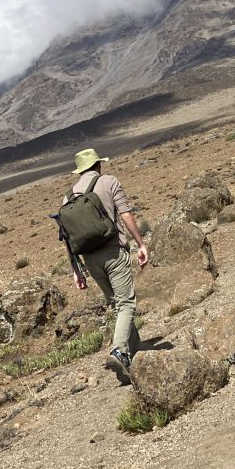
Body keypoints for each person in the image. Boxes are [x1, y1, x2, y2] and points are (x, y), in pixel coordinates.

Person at [64, 148, 148, 383]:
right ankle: (119, 351)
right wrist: (141, 243)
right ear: (98, 165)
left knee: (117, 306)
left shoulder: (68, 197)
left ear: (80, 171)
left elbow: (67, 239)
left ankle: (133, 358)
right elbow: (126, 215)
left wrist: (76, 270)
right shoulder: (109, 182)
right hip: (114, 252)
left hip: (90, 261)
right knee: (126, 304)